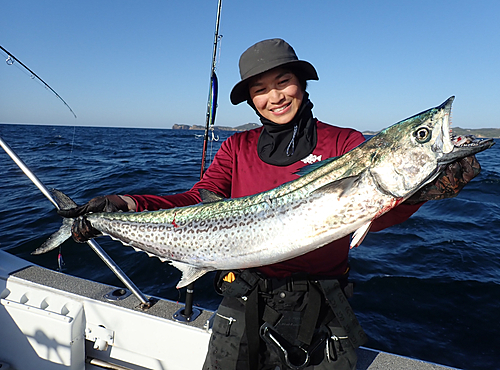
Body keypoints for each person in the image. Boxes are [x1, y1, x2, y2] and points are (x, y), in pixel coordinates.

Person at [60, 39, 481, 370]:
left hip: (321, 306)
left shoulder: (346, 144)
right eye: (260, 90)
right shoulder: (237, 146)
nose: (274, 97)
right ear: (251, 100)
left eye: (283, 82)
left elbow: (378, 209)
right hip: (241, 299)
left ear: (302, 83)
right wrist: (125, 204)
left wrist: (426, 188)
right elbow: (196, 201)